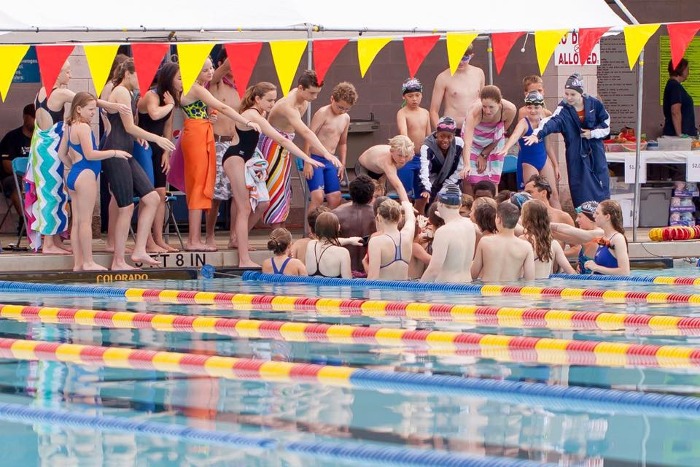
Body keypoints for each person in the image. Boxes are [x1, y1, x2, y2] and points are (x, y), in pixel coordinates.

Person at [26, 59, 128, 254]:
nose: (70, 75)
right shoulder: (60, 93)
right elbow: (85, 100)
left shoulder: (41, 92)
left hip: (41, 147)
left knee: (54, 192)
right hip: (49, 149)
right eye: (67, 72)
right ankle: (48, 244)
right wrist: (111, 105)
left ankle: (55, 240)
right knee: (51, 194)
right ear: (56, 73)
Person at [223, 82, 322, 267]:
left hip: (248, 159)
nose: (272, 104)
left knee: (263, 203)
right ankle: (244, 259)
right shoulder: (252, 114)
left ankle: (237, 239)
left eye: (274, 100)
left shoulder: (260, 114)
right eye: (269, 100)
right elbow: (280, 139)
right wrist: (306, 157)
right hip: (235, 159)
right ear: (257, 99)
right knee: (244, 208)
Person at [178, 57, 262, 252]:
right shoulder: (196, 88)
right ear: (195, 72)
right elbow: (222, 107)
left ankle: (195, 239)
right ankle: (194, 240)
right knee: (198, 186)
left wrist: (208, 118)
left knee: (201, 185)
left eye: (211, 68)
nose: (210, 72)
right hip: (197, 135)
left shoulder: (197, 88)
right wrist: (246, 121)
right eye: (206, 69)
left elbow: (196, 112)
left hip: (200, 131)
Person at [102, 58, 176, 270]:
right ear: (128, 74)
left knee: (152, 198)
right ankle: (118, 261)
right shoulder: (121, 92)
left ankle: (139, 250)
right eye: (140, 76)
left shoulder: (129, 92)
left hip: (126, 151)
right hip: (115, 153)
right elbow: (128, 127)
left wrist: (137, 137)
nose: (143, 81)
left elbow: (127, 126)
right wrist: (156, 138)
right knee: (126, 207)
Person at [57, 92, 131, 271]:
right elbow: (90, 154)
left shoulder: (69, 127)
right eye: (90, 109)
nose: (92, 113)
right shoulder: (83, 127)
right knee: (85, 222)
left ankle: (78, 264)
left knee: (77, 222)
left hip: (75, 175)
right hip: (86, 175)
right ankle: (89, 262)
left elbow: (61, 154)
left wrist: (75, 167)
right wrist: (115, 153)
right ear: (78, 109)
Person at [260, 70, 341, 228]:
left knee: (284, 189)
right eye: (312, 93)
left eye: (317, 93)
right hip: (273, 144)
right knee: (275, 188)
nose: (314, 97)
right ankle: (277, 230)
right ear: (301, 88)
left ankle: (281, 228)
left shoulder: (303, 98)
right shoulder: (288, 105)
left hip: (285, 144)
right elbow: (305, 132)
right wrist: (325, 153)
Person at [523, 73, 611, 207]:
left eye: (572, 94)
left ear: (581, 93)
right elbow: (552, 122)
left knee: (601, 187)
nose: (569, 97)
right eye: (566, 94)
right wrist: (537, 134)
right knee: (580, 189)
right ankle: (583, 217)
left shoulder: (594, 104)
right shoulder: (564, 109)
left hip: (596, 152)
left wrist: (593, 133)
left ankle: (604, 215)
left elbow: (606, 125)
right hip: (576, 154)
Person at [136, 61, 182, 253]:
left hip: (159, 147)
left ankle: (158, 239)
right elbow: (154, 115)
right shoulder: (151, 95)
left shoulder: (171, 99)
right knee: (148, 196)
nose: (183, 82)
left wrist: (166, 152)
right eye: (180, 78)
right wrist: (170, 104)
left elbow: (168, 127)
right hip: (143, 146)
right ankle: (147, 241)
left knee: (161, 193)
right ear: (169, 79)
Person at [494, 91, 561, 207]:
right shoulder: (524, 123)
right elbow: (515, 135)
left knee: (553, 195)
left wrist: (556, 165)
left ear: (542, 107)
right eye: (529, 107)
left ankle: (560, 217)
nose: (533, 111)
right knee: (531, 197)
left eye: (536, 107)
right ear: (526, 107)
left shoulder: (544, 121)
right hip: (529, 162)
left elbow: (548, 145)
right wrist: (506, 148)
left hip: (544, 160)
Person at [303, 82, 358, 216]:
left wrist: (342, 164)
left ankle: (326, 224)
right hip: (315, 159)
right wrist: (307, 162)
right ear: (332, 99)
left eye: (346, 109)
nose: (342, 111)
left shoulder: (345, 118)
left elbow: (343, 143)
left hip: (330, 161)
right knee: (318, 197)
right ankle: (312, 226)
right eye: (340, 107)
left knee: (335, 199)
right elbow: (309, 136)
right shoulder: (323, 113)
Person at [205, 49, 241, 247]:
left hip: (234, 142)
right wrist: (238, 47)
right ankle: (210, 235)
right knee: (216, 195)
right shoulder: (215, 83)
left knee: (238, 193)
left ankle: (234, 237)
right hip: (217, 142)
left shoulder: (239, 87)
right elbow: (218, 73)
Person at [460, 85, 517, 195]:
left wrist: (484, 154)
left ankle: (493, 203)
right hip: (473, 140)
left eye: (491, 107)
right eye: (484, 106)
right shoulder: (475, 112)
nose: (487, 111)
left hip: (494, 140)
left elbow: (501, 133)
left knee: (493, 178)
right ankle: (469, 203)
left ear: (499, 103)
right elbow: (467, 142)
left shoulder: (510, 110)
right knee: (469, 176)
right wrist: (467, 165)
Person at [551, 199, 630, 275]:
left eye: (597, 213)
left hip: (611, 284)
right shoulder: (603, 239)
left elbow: (625, 272)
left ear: (607, 217)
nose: (594, 216)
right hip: (599, 283)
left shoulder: (617, 239)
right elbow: (572, 237)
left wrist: (596, 267)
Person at [421, 184, 476, 283]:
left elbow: (433, 271)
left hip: (447, 288)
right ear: (460, 205)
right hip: (467, 285)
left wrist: (419, 289)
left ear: (440, 204)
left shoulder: (443, 232)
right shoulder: (470, 225)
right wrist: (445, 216)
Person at [471, 201, 535, 282]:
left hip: (488, 289)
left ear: (498, 219)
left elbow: (473, 275)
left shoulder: (485, 242)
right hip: (510, 289)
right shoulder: (526, 246)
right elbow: (530, 280)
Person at [429, 44, 485, 131]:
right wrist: (442, 131)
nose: (460, 62)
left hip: (475, 128)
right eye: (457, 58)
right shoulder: (443, 77)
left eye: (464, 58)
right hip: (452, 130)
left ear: (471, 56)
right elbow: (434, 111)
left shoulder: (479, 73)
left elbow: (483, 102)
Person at [397, 78, 431, 210]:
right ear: (404, 97)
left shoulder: (425, 113)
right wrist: (409, 151)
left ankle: (419, 217)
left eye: (417, 95)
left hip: (422, 158)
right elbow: (403, 133)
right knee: (405, 193)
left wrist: (429, 154)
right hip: (407, 158)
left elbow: (428, 136)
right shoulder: (402, 113)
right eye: (410, 96)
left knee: (422, 195)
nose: (414, 99)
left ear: (421, 95)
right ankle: (404, 217)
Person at [520, 199, 575, 279]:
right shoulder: (553, 243)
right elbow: (571, 272)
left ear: (525, 218)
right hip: (546, 286)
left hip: (527, 285)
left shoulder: (522, 241)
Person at [332, 174, 376, 273]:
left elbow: (325, 243)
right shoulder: (380, 215)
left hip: (344, 273)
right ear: (371, 197)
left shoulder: (335, 214)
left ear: (351, 195)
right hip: (370, 272)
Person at [417, 116, 464, 207]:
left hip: (451, 182)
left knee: (452, 202)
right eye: (442, 136)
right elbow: (424, 169)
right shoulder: (427, 146)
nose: (445, 140)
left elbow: (460, 169)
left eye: (449, 137)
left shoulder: (459, 144)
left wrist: (445, 188)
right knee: (425, 202)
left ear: (454, 135)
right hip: (431, 182)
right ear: (436, 134)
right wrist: (426, 189)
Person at [355, 135, 414, 203]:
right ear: (391, 151)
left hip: (381, 170)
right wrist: (407, 205)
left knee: (381, 193)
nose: (403, 159)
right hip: (364, 167)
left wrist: (383, 177)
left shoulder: (410, 155)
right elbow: (398, 186)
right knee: (368, 193)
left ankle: (379, 208)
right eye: (400, 155)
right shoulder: (387, 161)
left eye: (406, 156)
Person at [367, 198, 415, 280]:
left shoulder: (376, 242)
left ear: (379, 217)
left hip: (385, 288)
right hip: (404, 287)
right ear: (400, 217)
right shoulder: (407, 236)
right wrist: (407, 206)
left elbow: (372, 278)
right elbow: (411, 219)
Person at [0, 104, 34, 218]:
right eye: (33, 116)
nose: (35, 120)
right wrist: (26, 173)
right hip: (14, 177)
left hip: (36, 176)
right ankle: (26, 219)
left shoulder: (41, 138)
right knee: (15, 184)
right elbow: (7, 166)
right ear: (25, 117)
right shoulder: (12, 137)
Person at [305, 211, 352, 279]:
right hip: (332, 286)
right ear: (337, 228)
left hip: (310, 285)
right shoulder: (343, 253)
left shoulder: (311, 245)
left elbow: (324, 242)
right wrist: (350, 240)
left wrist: (350, 240)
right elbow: (347, 281)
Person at [663, 59, 697, 137]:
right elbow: (675, 111)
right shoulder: (675, 86)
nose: (688, 72)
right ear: (681, 70)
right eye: (687, 69)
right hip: (678, 136)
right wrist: (680, 135)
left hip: (680, 135)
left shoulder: (673, 85)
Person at [570, 200, 600, 274]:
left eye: (580, 216)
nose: (576, 220)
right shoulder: (587, 238)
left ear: (591, 218)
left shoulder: (597, 238)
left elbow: (568, 234)